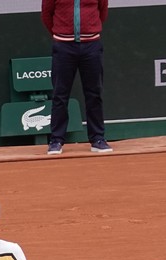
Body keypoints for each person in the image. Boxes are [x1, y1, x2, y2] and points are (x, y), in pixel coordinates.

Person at [41, 0, 112, 155]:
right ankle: (56, 141)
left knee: (94, 93)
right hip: (63, 46)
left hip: (92, 45)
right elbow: (47, 13)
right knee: (60, 94)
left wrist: (90, 29)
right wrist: (60, 34)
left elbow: (102, 11)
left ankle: (98, 139)